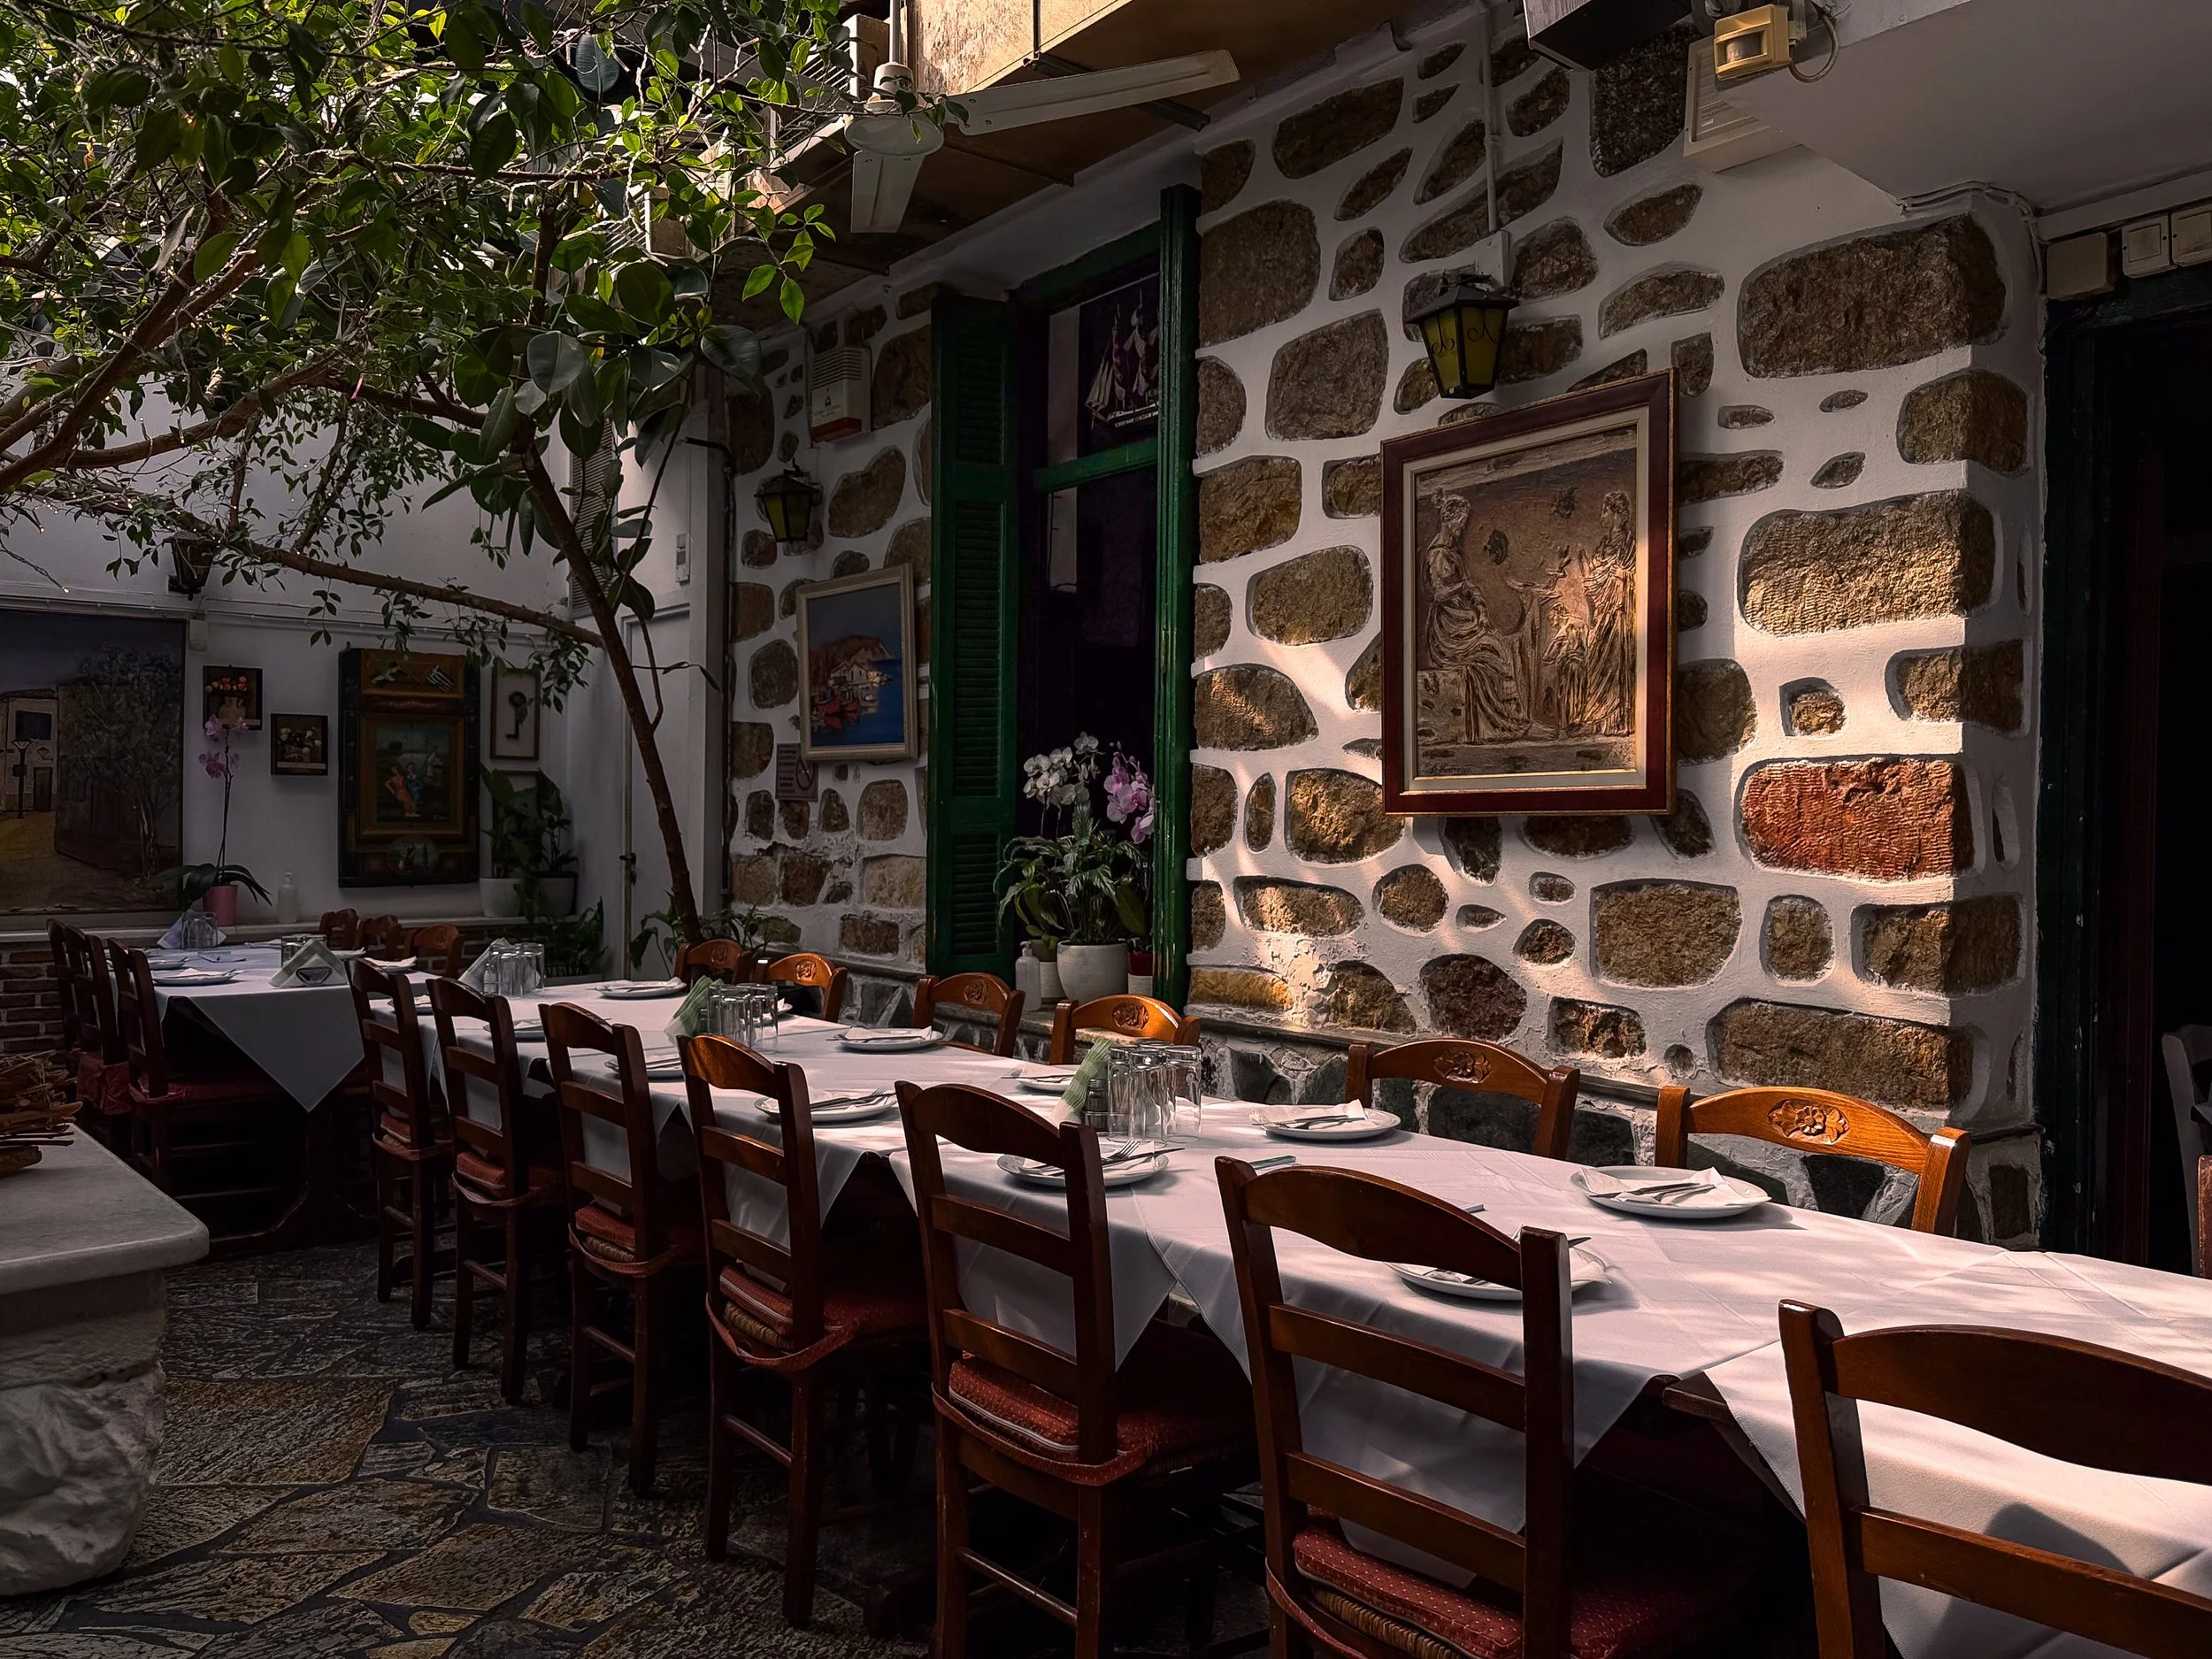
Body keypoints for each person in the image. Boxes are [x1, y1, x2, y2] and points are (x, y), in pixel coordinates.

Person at [1421, 495, 1526, 742]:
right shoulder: (1436, 556)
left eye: (1465, 521)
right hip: (1447, 631)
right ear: (1448, 519)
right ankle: (1500, 722)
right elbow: (1437, 595)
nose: (1463, 526)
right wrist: (1462, 588)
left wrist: (1480, 606)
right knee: (1492, 649)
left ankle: (1506, 718)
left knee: (1496, 643)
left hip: (1464, 622)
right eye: (1460, 521)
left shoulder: (1452, 554)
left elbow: (1470, 587)